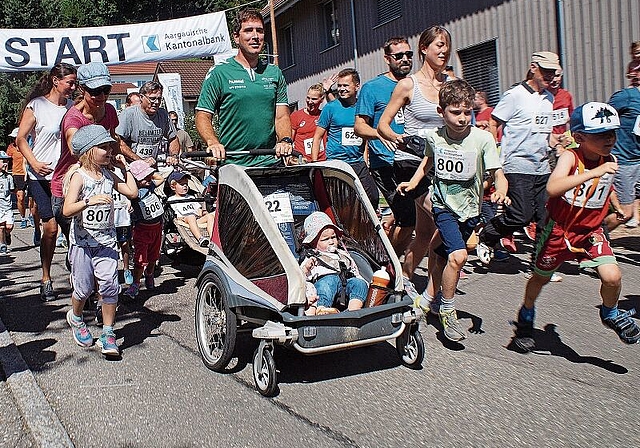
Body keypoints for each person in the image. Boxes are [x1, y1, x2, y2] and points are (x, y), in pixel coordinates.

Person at [512, 102, 640, 352]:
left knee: (612, 277)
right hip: (558, 232)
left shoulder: (608, 159)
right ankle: (526, 315)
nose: (609, 139)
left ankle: (610, 313)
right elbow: (553, 188)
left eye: (612, 133)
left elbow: (606, 184)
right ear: (580, 137)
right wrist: (594, 172)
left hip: (591, 231)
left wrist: (615, 205)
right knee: (540, 279)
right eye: (601, 135)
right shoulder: (571, 157)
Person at [398, 79, 508, 342]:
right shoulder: (435, 138)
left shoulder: (482, 139)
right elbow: (427, 162)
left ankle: (424, 303)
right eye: (455, 112)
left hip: (470, 210)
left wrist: (502, 188)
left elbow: (497, 172)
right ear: (441, 112)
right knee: (458, 257)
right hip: (443, 206)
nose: (462, 118)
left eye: (466, 112)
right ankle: (448, 310)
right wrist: (413, 183)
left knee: (439, 257)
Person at [477, 52, 562, 283]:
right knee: (521, 215)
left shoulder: (549, 99)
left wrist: (558, 143)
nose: (550, 76)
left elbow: (546, 133)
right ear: (533, 67)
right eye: (545, 71)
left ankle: (538, 266)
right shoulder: (514, 96)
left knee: (546, 217)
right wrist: (493, 158)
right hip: (516, 165)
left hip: (542, 166)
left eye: (553, 72)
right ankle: (487, 235)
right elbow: (494, 123)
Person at [378, 26, 452, 283]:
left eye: (447, 46)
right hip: (411, 161)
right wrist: (398, 138)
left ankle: (404, 280)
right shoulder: (408, 85)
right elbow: (383, 125)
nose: (445, 51)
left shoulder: (451, 85)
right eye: (439, 45)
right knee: (444, 219)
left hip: (442, 161)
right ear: (424, 48)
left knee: (423, 233)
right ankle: (437, 292)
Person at [62, 125, 138, 356]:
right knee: (83, 289)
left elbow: (132, 193)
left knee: (110, 286)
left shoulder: (108, 175)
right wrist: (89, 201)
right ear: (88, 151)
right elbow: (67, 210)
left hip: (106, 243)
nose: (108, 151)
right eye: (103, 147)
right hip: (83, 244)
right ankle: (76, 317)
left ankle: (108, 333)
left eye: (109, 147)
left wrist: (127, 169)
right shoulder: (79, 176)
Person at [195, 8, 293, 167]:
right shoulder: (219, 73)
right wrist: (212, 142)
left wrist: (285, 140)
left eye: (259, 31)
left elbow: (281, 116)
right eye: (248, 31)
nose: (255, 36)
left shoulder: (274, 73)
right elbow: (202, 116)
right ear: (236, 37)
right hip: (234, 164)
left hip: (269, 162)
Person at [15, 62, 77, 301]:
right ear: (55, 81)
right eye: (69, 82)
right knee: (50, 228)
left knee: (72, 228)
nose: (73, 87)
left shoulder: (72, 107)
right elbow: (21, 139)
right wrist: (33, 161)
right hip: (40, 176)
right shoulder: (37, 106)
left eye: (74, 83)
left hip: (66, 176)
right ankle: (46, 277)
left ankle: (78, 274)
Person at [354, 36, 420, 255]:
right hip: (386, 163)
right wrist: (381, 135)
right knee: (409, 219)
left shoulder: (415, 85)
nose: (405, 59)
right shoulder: (373, 88)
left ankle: (386, 254)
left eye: (409, 55)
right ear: (387, 59)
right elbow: (359, 127)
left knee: (420, 219)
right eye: (398, 55)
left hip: (414, 162)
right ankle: (389, 266)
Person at [50, 62, 119, 245]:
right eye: (96, 91)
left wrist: (134, 161)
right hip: (69, 187)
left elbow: (115, 139)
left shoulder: (110, 110)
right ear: (82, 88)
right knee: (79, 245)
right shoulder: (73, 118)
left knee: (98, 242)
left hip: (98, 182)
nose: (102, 96)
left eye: (106, 90)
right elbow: (75, 149)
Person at [311, 68, 379, 209]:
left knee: (372, 197)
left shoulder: (364, 107)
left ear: (357, 86)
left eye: (345, 85)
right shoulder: (330, 108)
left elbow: (365, 137)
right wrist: (315, 164)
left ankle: (366, 226)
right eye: (339, 86)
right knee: (343, 202)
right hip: (336, 163)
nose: (341, 89)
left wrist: (366, 160)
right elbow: (317, 137)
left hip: (358, 162)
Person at [299, 211, 368, 316]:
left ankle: (353, 310)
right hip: (325, 288)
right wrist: (306, 269)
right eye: (325, 239)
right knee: (327, 282)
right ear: (313, 243)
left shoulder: (342, 254)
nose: (331, 241)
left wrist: (364, 282)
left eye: (333, 237)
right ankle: (322, 308)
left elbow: (355, 271)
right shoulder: (312, 257)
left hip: (345, 286)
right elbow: (300, 278)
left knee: (359, 283)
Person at [124, 160, 166, 299]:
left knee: (154, 256)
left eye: (148, 176)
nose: (147, 179)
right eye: (143, 177)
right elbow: (129, 198)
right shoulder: (133, 193)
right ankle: (136, 283)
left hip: (157, 228)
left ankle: (149, 274)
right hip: (142, 229)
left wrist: (149, 173)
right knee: (140, 259)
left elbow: (160, 178)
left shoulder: (150, 186)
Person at [608, 60, 640, 230]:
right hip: (626, 161)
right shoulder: (626, 97)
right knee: (625, 213)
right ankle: (591, 238)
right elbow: (603, 117)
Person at [116, 81, 179, 166]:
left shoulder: (163, 114)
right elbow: (119, 142)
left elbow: (173, 139)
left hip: (155, 165)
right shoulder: (129, 114)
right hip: (131, 165)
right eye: (152, 98)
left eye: (159, 99)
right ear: (141, 97)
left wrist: (173, 156)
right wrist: (140, 161)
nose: (156, 102)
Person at [167, 171, 214, 247]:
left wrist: (203, 213)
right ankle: (200, 238)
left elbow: (199, 209)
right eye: (182, 184)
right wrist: (178, 218)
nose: (185, 186)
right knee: (190, 216)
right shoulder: (172, 199)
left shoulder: (191, 197)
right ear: (173, 187)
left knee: (211, 215)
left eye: (186, 184)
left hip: (197, 219)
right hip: (185, 219)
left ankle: (213, 239)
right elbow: (173, 212)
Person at [290, 83, 326, 162]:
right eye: (308, 98)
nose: (310, 102)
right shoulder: (296, 115)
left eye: (314, 99)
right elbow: (290, 141)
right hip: (301, 159)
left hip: (321, 160)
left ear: (322, 99)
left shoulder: (324, 115)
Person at [6, 128, 30, 229]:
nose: (13, 140)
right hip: (17, 174)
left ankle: (33, 215)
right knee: (20, 197)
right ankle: (23, 217)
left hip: (29, 173)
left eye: (14, 138)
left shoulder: (27, 146)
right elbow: (6, 160)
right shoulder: (11, 148)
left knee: (32, 199)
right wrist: (5, 172)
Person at [0, 151, 15, 256]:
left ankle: (7, 234)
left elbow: (12, 190)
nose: (6, 163)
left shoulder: (8, 177)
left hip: (7, 206)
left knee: (9, 226)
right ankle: (2, 244)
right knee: (1, 226)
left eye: (7, 161)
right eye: (3, 161)